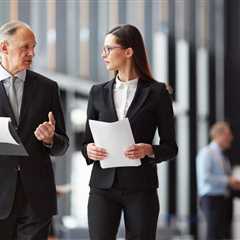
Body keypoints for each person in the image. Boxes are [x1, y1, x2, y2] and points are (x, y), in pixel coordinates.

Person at [81, 24, 178, 240]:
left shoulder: (157, 93)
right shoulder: (97, 92)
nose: (103, 54)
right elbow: (86, 142)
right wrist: (89, 150)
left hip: (141, 188)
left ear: (128, 51)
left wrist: (149, 150)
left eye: (109, 48)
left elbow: (170, 147)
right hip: (102, 187)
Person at [0, 21, 69, 239]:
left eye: (34, 47)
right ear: (4, 47)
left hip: (37, 196)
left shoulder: (48, 88)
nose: (32, 53)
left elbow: (62, 144)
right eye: (25, 47)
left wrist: (50, 139)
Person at [196, 121, 240, 240]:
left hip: (223, 200)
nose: (231, 138)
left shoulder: (223, 157)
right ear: (219, 135)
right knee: (214, 235)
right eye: (228, 134)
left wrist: (233, 183)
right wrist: (228, 180)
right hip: (212, 199)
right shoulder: (207, 153)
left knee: (223, 235)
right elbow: (205, 177)